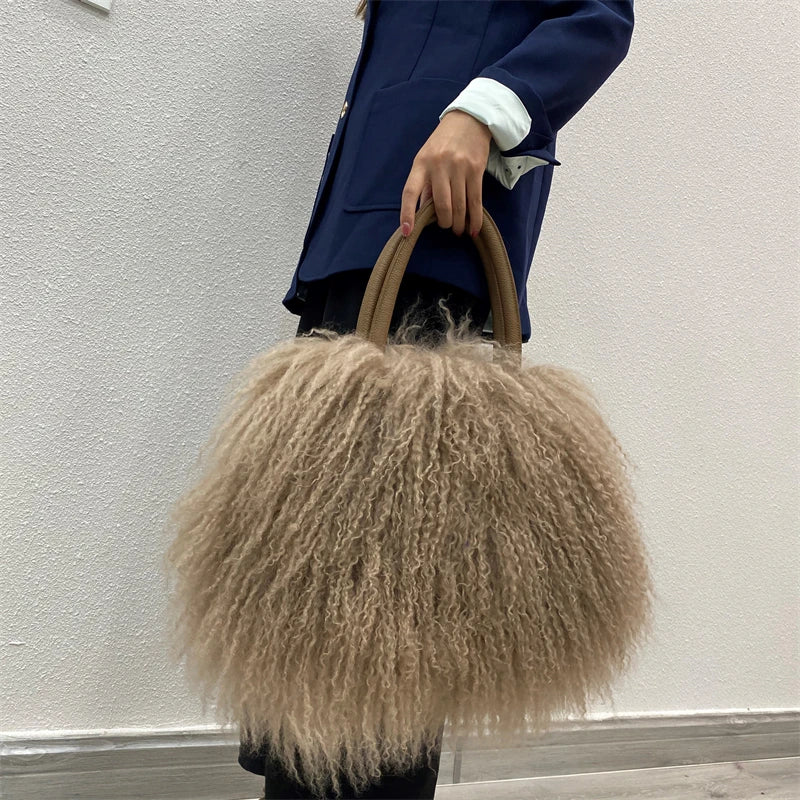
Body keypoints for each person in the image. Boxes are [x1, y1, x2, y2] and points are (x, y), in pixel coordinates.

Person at [239, 1, 635, 796]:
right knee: (309, 586)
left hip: (436, 240)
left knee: (386, 605)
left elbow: (600, 15)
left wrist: (482, 111)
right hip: (363, 246)